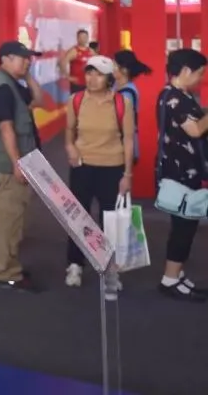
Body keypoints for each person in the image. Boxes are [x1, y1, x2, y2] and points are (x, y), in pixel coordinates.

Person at [0, 41, 45, 292]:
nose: (27, 62)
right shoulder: (2, 88)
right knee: (8, 216)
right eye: (23, 58)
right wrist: (17, 163)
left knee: (12, 213)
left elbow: (38, 100)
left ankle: (5, 264)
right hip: (10, 162)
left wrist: (28, 76)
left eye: (28, 58)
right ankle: (6, 272)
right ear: (5, 59)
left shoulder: (12, 84)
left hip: (17, 160)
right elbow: (6, 128)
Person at [63, 56, 134, 298]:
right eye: (89, 73)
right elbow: (69, 131)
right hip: (82, 166)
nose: (92, 79)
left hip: (112, 167)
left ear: (109, 78)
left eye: (99, 74)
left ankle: (108, 269)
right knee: (78, 218)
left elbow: (129, 140)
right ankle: (75, 264)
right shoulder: (76, 100)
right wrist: (70, 148)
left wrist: (127, 174)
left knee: (110, 221)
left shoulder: (122, 102)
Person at [156, 48, 208, 302]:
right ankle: (170, 279)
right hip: (180, 173)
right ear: (186, 70)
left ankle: (176, 274)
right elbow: (195, 130)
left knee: (187, 224)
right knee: (183, 227)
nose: (201, 78)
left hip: (188, 170)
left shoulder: (182, 95)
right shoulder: (173, 98)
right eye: (200, 73)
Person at [114, 49, 151, 164]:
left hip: (122, 145)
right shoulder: (116, 85)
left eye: (114, 65)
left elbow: (121, 122)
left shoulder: (127, 94)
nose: (111, 68)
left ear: (124, 70)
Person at [62, 29, 94, 94]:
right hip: (77, 84)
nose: (83, 39)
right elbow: (63, 63)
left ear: (87, 38)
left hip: (88, 84)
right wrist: (68, 77)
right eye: (81, 37)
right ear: (77, 38)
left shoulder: (90, 51)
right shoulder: (74, 51)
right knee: (77, 100)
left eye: (85, 37)